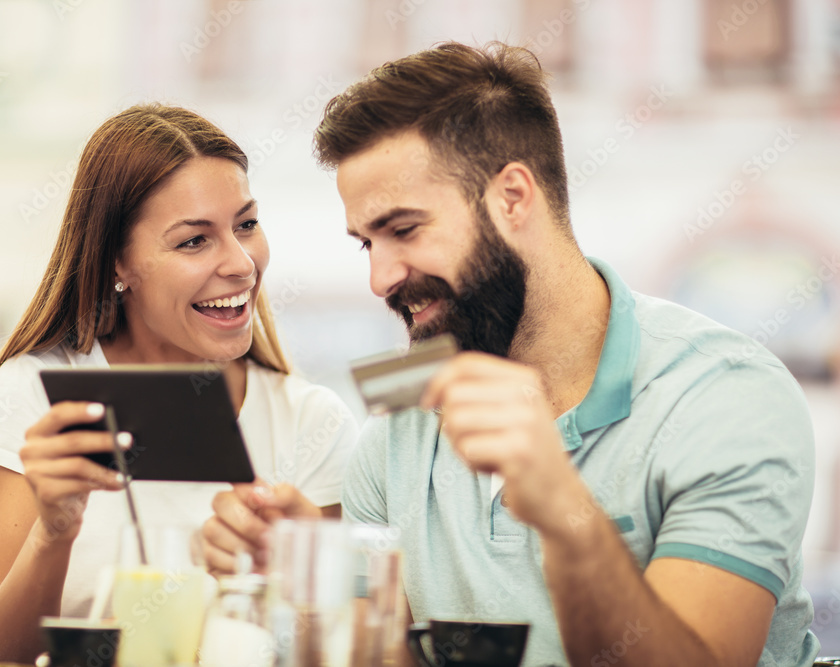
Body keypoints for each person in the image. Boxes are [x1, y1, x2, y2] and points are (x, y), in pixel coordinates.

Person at [201, 42, 819, 666]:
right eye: (367, 244)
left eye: (405, 230)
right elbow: (385, 655)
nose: (381, 279)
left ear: (514, 198)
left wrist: (565, 513)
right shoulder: (396, 438)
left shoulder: (727, 397)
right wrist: (313, 578)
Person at [0, 104, 358, 664]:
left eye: (246, 224)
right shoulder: (33, 397)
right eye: (194, 241)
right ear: (120, 263)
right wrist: (55, 531)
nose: (241, 264)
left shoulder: (312, 423)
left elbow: (335, 649)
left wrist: (303, 576)